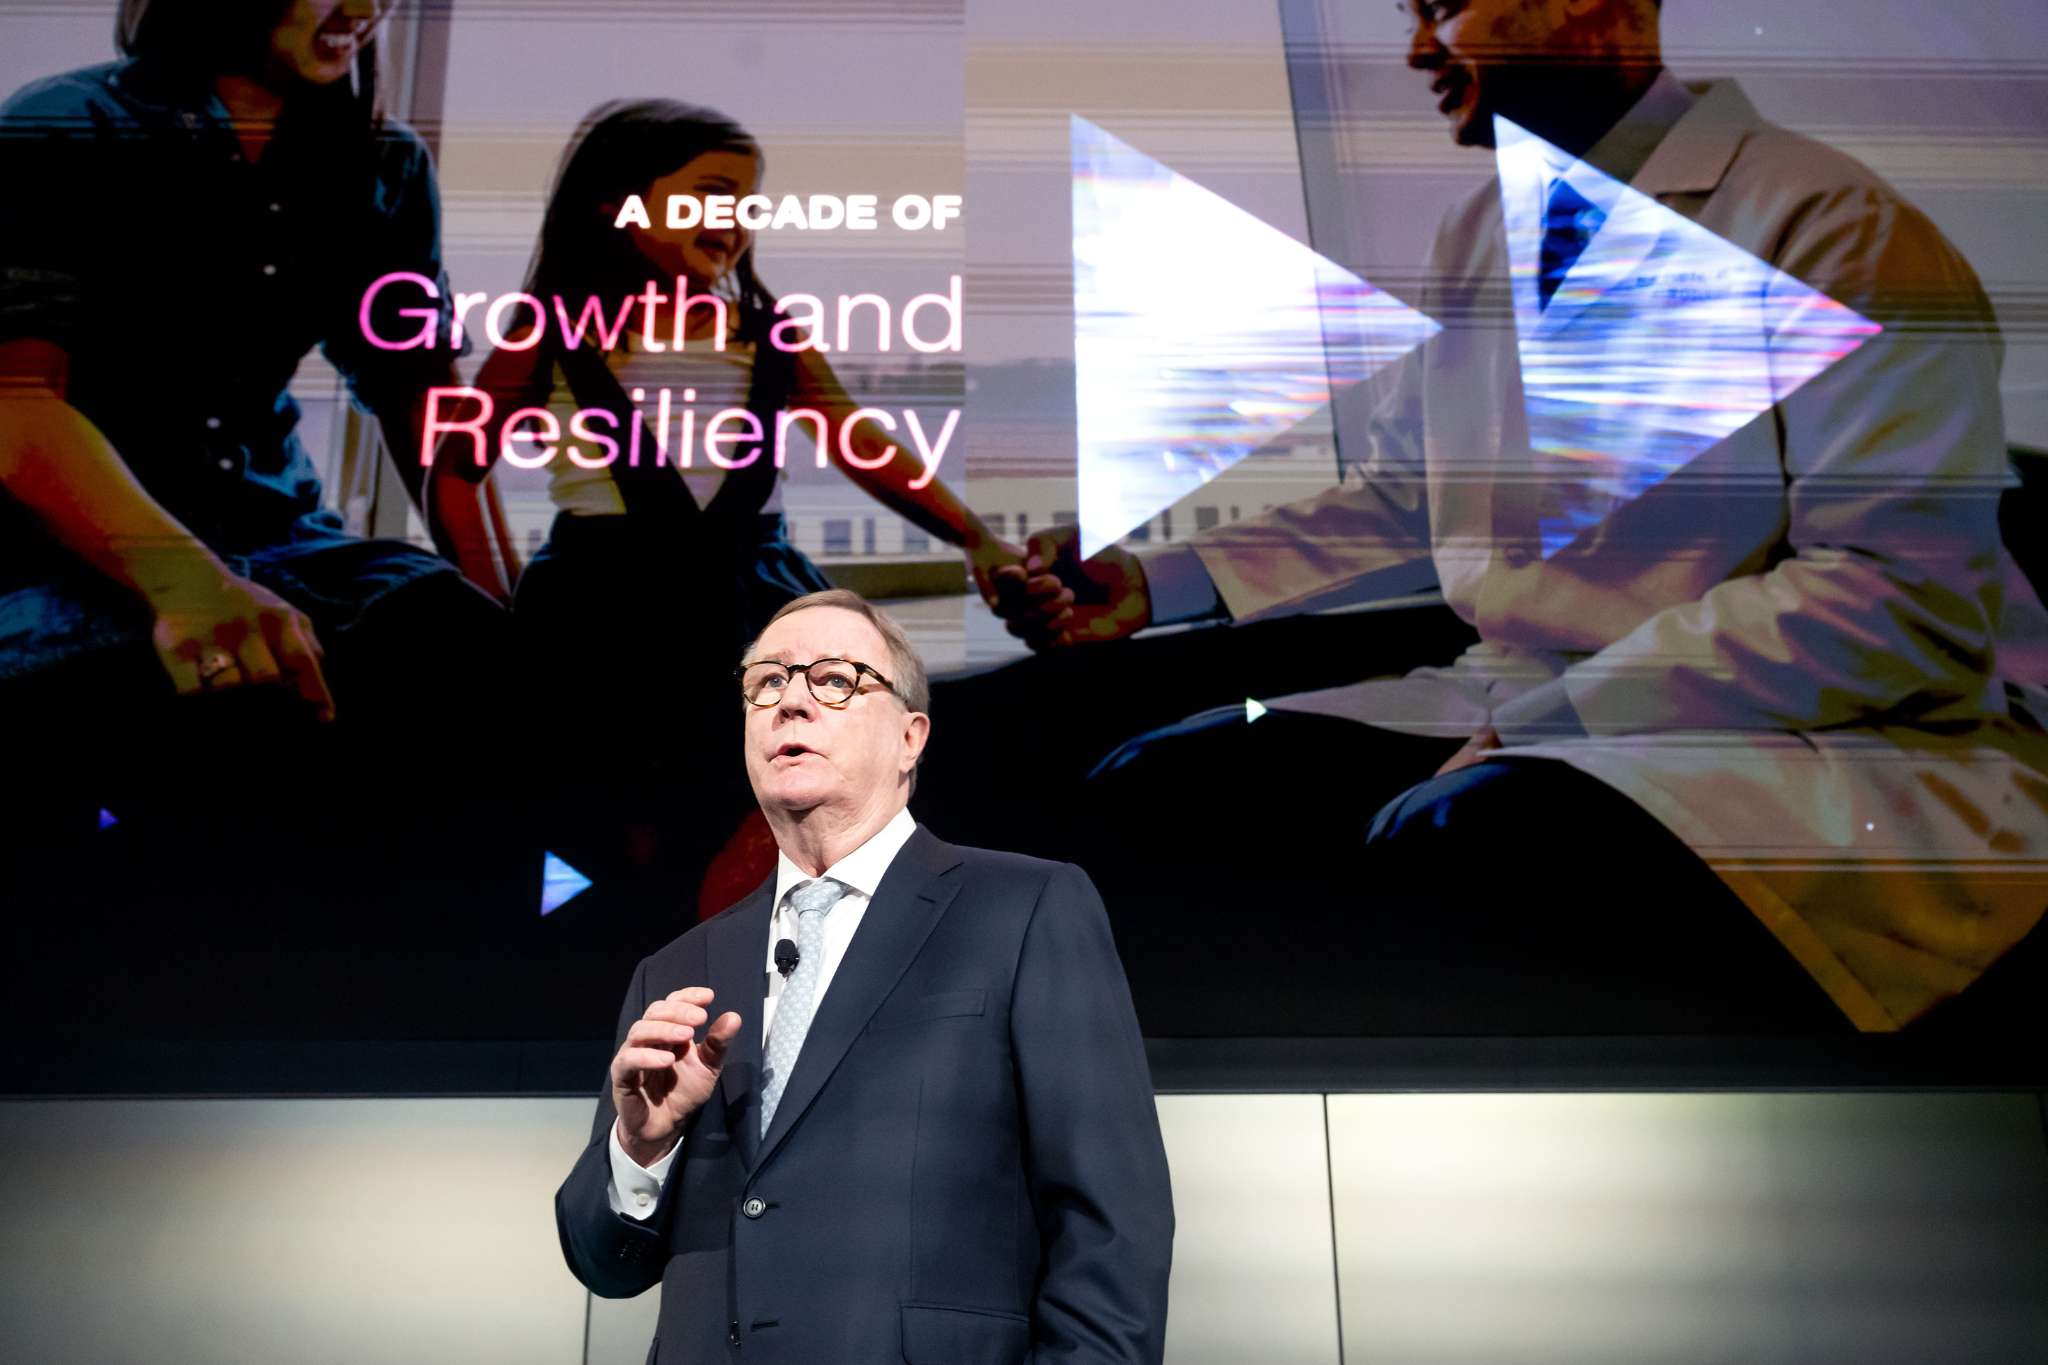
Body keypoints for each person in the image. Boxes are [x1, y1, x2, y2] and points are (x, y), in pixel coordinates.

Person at [988, 0, 2048, 1037]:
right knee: (1163, 790)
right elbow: (1413, 498)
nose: (1415, 50)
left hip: (1803, 738)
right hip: (1521, 699)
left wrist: (1562, 715)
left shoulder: (1831, 228)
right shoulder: (1478, 232)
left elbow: (1894, 598)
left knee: (1464, 839)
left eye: (1444, 5)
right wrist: (1156, 584)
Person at [0, 0, 522, 1032]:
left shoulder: (383, 164)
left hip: (280, 536)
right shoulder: (64, 129)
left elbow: (422, 399)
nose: (366, 9)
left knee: (466, 665)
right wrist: (189, 587)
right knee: (213, 726)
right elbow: (19, 411)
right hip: (66, 550)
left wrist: (509, 618)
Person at [554, 588, 1174, 1364]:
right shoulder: (677, 970)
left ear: (911, 735)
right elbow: (602, 1261)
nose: (791, 704)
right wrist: (641, 1147)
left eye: (834, 680)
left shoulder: (1025, 909)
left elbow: (1112, 1225)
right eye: (767, 683)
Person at [432, 100, 1019, 909]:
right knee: (625, 797)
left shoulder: (765, 330)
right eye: (710, 193)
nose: (734, 220)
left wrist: (977, 539)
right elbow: (457, 468)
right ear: (616, 200)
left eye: (746, 204)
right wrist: (488, 601)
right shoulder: (554, 327)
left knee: (788, 770)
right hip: (605, 593)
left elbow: (862, 443)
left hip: (754, 586)